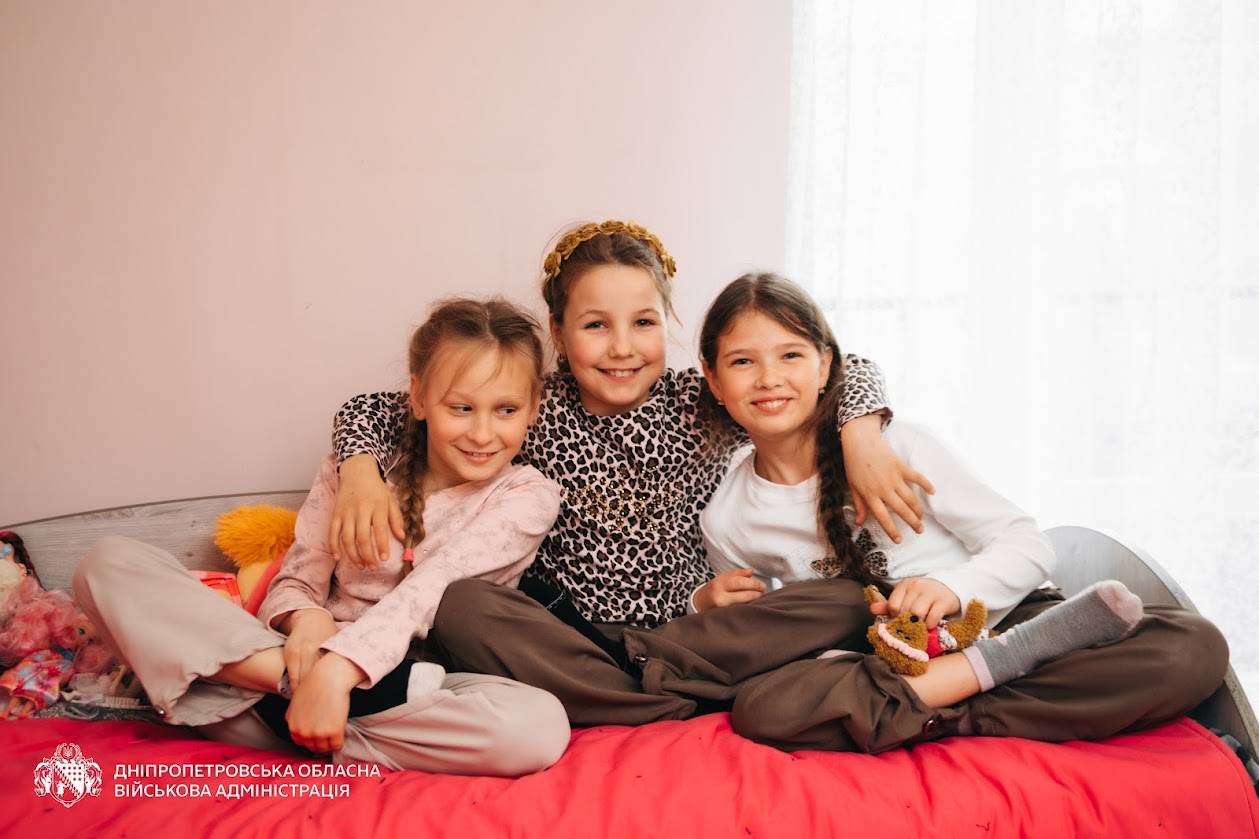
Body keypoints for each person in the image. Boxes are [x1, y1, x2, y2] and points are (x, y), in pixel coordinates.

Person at [329, 221, 931, 726]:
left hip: (691, 631)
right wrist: (359, 475)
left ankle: (648, 692)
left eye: (644, 323)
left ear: (667, 321)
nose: (622, 347)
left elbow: (846, 366)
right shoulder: (531, 405)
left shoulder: (701, 401)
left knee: (846, 599)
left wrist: (861, 436)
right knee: (463, 606)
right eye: (596, 325)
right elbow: (372, 410)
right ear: (558, 332)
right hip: (567, 636)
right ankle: (677, 699)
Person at [689, 271, 1229, 753]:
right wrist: (704, 603)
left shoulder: (898, 447)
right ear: (713, 379)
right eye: (743, 361)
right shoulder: (727, 517)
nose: (768, 378)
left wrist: (950, 587)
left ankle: (947, 698)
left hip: (996, 625)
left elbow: (1028, 545)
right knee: (764, 708)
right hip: (881, 660)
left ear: (826, 364)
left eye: (790, 355)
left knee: (1192, 647)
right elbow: (762, 635)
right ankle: (975, 692)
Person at [73, 297, 570, 776]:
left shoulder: (527, 497)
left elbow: (427, 592)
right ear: (419, 398)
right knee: (106, 562)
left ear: (533, 408)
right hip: (313, 666)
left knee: (539, 726)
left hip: (410, 688)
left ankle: (290, 706)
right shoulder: (353, 473)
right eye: (460, 408)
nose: (482, 433)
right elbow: (296, 580)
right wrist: (307, 621)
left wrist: (339, 672)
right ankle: (296, 692)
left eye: (506, 410)